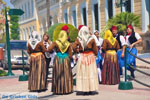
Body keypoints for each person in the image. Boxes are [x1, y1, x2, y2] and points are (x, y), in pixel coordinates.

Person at [72, 26, 99, 95]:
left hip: (82, 56)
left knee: (83, 73)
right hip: (90, 57)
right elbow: (95, 49)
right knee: (90, 73)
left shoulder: (78, 39)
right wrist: (95, 55)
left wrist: (77, 51)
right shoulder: (92, 39)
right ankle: (91, 89)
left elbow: (73, 47)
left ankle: (84, 89)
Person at [48, 30, 73, 95]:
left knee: (58, 74)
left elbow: (49, 48)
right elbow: (70, 54)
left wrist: (53, 52)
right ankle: (66, 89)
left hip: (58, 59)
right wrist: (70, 60)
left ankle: (58, 89)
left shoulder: (55, 43)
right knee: (66, 75)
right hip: (66, 59)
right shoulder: (68, 43)